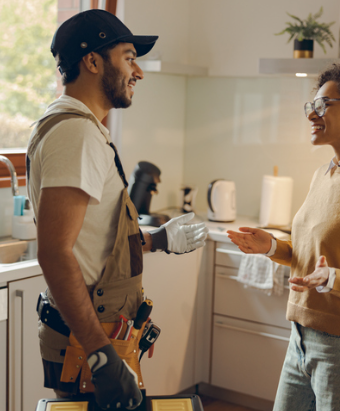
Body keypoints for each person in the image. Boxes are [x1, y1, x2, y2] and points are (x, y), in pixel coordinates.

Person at [26, 9, 208, 410]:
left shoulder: (76, 127)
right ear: (92, 61)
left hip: (103, 334)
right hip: (90, 343)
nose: (138, 72)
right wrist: (100, 354)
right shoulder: (77, 134)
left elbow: (91, 244)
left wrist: (158, 239)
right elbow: (55, 253)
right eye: (128, 57)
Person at [227, 63, 340, 411]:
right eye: (311, 106)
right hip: (299, 339)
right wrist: (271, 247)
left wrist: (333, 279)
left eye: (323, 105)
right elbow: (311, 258)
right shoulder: (323, 175)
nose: (312, 114)